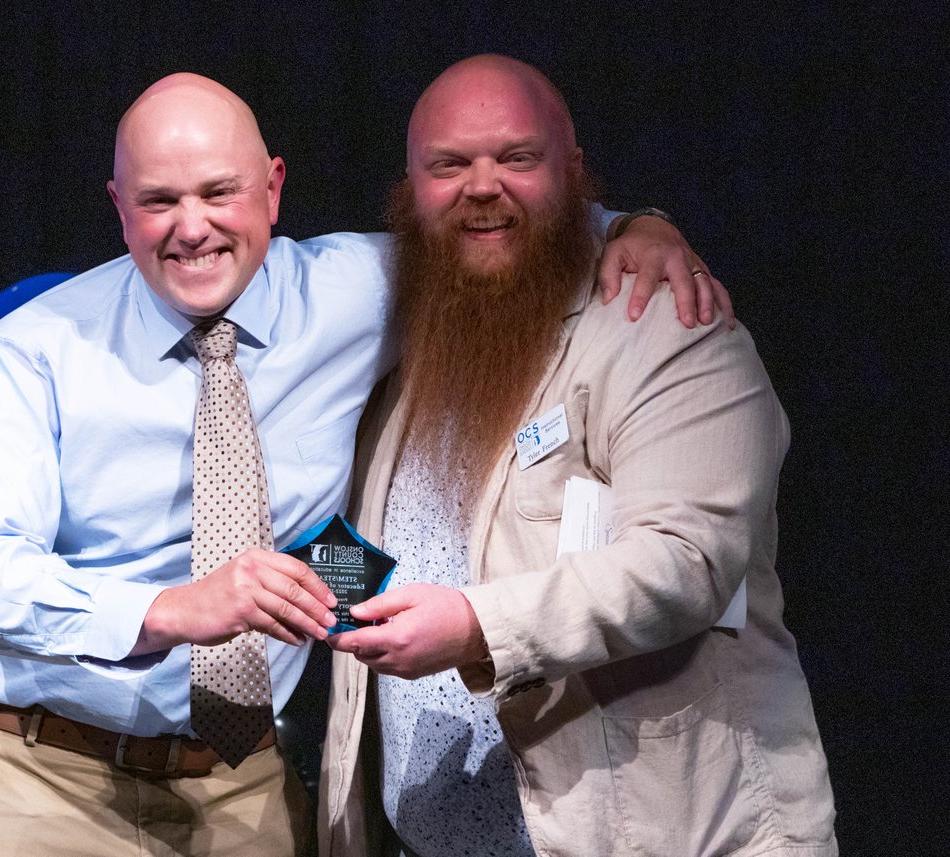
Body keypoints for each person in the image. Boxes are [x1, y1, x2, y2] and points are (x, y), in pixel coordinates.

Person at [0, 71, 721, 857]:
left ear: (273, 189)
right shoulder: (28, 354)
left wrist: (634, 227)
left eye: (218, 193)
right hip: (36, 775)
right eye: (160, 201)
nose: (192, 227)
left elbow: (503, 233)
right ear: (118, 207)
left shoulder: (356, 291)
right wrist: (170, 608)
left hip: (240, 783)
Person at [322, 55, 838, 857]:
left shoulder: (667, 325)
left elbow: (686, 561)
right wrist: (302, 573)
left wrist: (472, 626)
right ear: (410, 188)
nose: (482, 185)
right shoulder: (409, 346)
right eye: (449, 164)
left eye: (517, 158)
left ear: (576, 175)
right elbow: (385, 547)